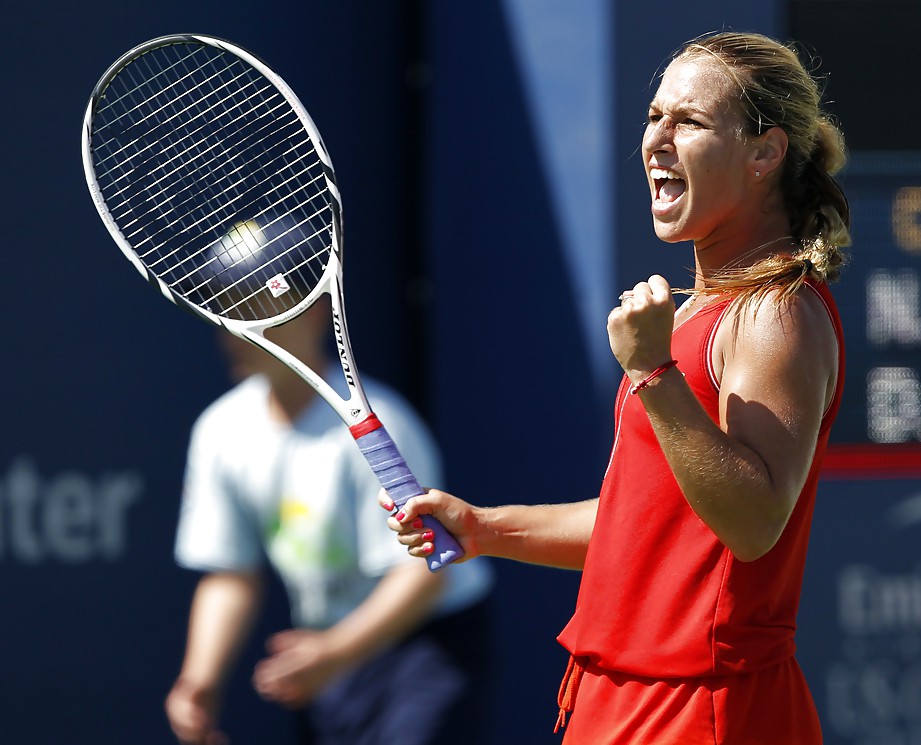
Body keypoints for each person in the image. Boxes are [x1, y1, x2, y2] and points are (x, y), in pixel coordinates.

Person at [384, 31, 849, 744]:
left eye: (687, 122)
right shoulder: (702, 308)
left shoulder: (775, 312)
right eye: (654, 116)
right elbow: (648, 521)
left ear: (764, 153)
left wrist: (652, 374)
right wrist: (484, 528)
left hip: (702, 713)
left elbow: (753, 524)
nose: (656, 140)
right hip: (617, 702)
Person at [164, 297, 494, 745]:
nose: (237, 330)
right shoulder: (220, 431)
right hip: (327, 656)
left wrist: (335, 652)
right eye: (226, 313)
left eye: (258, 311)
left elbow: (423, 572)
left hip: (424, 646)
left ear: (314, 313)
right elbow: (230, 576)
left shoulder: (385, 422)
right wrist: (198, 680)